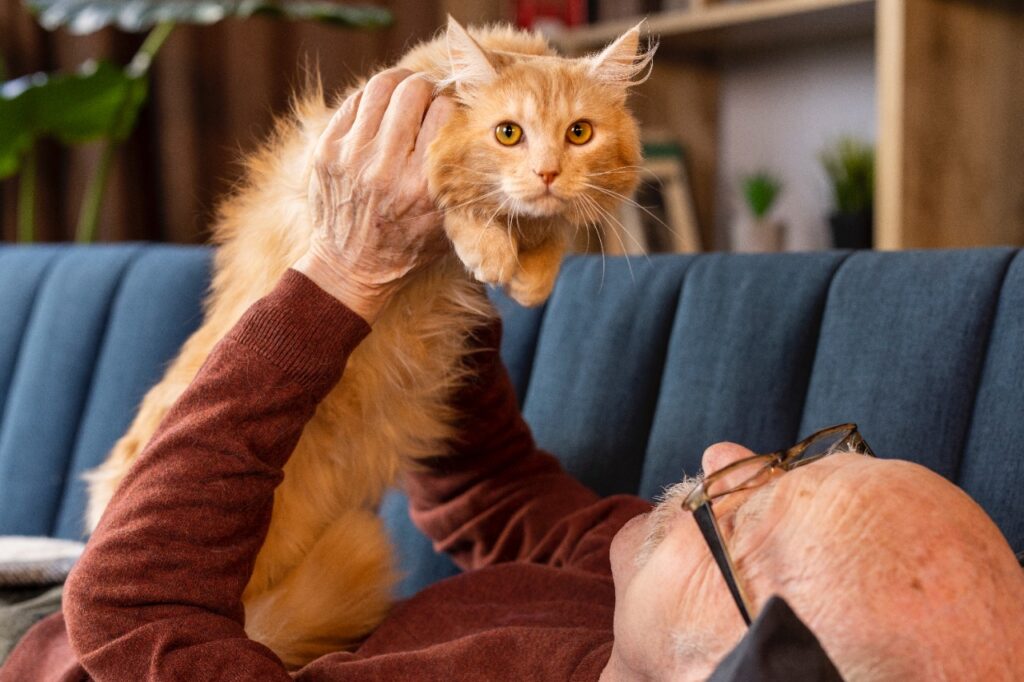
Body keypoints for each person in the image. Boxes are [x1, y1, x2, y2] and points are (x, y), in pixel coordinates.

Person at [4, 69, 1023, 682]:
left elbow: (133, 612)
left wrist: (345, 270)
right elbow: (490, 491)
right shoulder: (644, 575)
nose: (722, 455)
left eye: (752, 509)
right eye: (805, 455)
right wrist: (431, 275)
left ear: (739, 662)